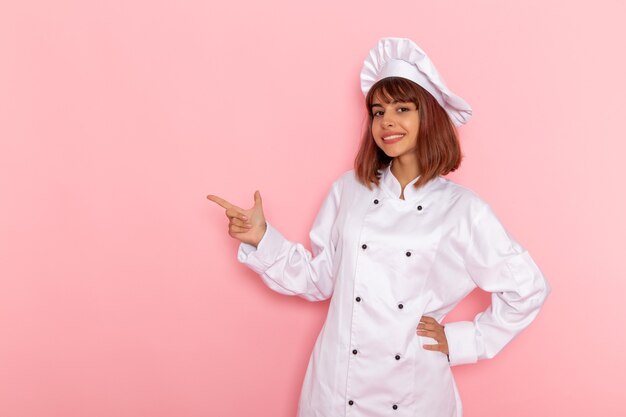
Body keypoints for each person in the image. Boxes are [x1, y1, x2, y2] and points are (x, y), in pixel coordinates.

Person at [207, 37, 551, 417]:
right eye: (377, 111)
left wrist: (463, 340)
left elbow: (527, 289)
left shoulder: (463, 210)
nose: (386, 121)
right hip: (336, 388)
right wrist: (261, 238)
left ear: (429, 116)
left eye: (402, 108)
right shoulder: (348, 190)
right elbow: (320, 279)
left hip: (414, 394)